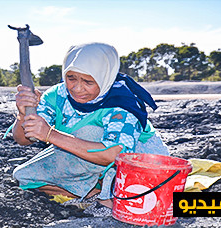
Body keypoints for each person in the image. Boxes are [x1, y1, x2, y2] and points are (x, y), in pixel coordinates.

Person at [11, 42, 169, 216]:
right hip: (87, 159)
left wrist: (50, 134)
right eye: (71, 78)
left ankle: (112, 192)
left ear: (104, 77)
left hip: (138, 164)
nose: (77, 88)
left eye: (88, 82)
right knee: (24, 176)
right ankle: (94, 194)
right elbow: (23, 139)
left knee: (88, 132)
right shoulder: (58, 95)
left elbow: (115, 154)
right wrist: (23, 114)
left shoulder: (121, 104)